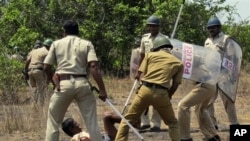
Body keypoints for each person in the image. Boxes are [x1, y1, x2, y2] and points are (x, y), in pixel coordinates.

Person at [43, 20, 107, 141]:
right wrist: (102, 90)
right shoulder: (87, 44)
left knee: (53, 122)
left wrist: (54, 83)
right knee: (91, 122)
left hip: (63, 83)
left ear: (64, 32)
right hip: (82, 82)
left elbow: (46, 66)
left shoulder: (56, 44)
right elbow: (93, 67)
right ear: (78, 32)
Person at [115, 36, 183, 141]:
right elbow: (175, 84)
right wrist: (168, 95)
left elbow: (140, 73)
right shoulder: (178, 62)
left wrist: (139, 89)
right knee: (173, 123)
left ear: (156, 47)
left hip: (145, 90)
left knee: (127, 121)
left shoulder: (149, 55)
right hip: (162, 93)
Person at [205, 17, 240, 129]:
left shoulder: (226, 39)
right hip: (211, 74)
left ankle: (234, 123)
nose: (211, 30)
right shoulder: (207, 41)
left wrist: (230, 74)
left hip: (223, 74)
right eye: (209, 28)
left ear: (219, 27)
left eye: (213, 27)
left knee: (227, 100)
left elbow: (232, 57)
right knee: (208, 100)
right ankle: (212, 124)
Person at [138, 15, 169, 131]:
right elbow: (141, 56)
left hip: (158, 73)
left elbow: (167, 57)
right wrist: (139, 71)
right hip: (146, 72)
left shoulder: (164, 38)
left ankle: (155, 123)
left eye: (154, 26)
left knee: (157, 97)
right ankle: (144, 122)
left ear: (158, 27)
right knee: (142, 97)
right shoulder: (144, 38)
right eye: (150, 26)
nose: (152, 28)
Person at [24, 38, 53, 106]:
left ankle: (33, 105)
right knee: (41, 90)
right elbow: (47, 66)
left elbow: (27, 61)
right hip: (38, 71)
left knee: (34, 90)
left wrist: (25, 71)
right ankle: (41, 107)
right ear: (49, 46)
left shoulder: (34, 51)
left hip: (30, 70)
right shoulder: (47, 52)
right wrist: (49, 78)